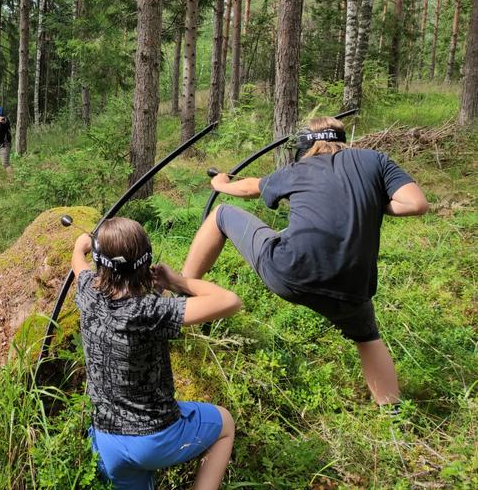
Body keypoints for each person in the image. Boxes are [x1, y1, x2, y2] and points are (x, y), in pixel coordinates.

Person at [182, 116, 429, 406]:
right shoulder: (376, 160)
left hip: (291, 272)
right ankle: (392, 415)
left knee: (222, 214)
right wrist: (372, 200)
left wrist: (221, 184)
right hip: (352, 287)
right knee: (368, 337)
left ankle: (179, 291)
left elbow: (250, 187)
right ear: (341, 139)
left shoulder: (300, 168)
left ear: (305, 145)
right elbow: (416, 203)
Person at [71, 217, 241, 490]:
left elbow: (78, 265)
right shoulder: (151, 311)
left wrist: (81, 248)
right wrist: (177, 280)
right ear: (146, 263)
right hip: (155, 439)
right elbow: (230, 301)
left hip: (107, 442)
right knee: (225, 424)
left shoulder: (88, 290)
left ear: (100, 264)